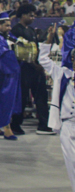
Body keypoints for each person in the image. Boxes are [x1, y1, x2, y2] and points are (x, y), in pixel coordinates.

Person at [38, 25, 75, 191]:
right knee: (71, 162)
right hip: (68, 124)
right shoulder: (62, 73)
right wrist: (48, 39)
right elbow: (43, 59)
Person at [10, 4, 53, 135]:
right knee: (22, 98)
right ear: (23, 15)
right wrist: (35, 65)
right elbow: (21, 52)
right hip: (23, 69)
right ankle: (15, 125)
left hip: (35, 69)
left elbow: (35, 50)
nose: (33, 17)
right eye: (31, 15)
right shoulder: (17, 30)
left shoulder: (31, 30)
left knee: (41, 96)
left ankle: (44, 124)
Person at [0, 12, 22, 140]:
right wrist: (13, 51)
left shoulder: (5, 36)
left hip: (7, 73)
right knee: (4, 100)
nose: (9, 28)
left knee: (0, 100)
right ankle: (7, 129)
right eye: (7, 26)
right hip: (1, 74)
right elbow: (0, 56)